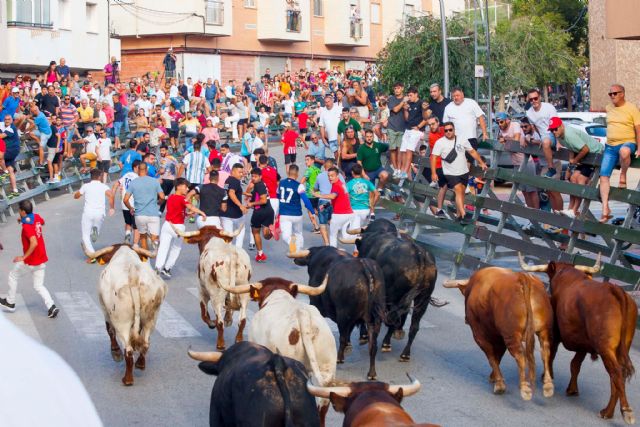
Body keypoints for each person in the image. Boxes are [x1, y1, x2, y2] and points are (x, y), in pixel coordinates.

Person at [0, 200, 59, 318]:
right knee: (39, 285)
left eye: (19, 211)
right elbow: (42, 222)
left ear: (22, 211)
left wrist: (23, 257)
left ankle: (10, 302)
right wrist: (22, 220)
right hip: (41, 258)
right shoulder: (36, 217)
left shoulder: (27, 226)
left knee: (13, 275)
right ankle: (51, 306)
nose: (18, 213)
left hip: (31, 260)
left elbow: (34, 242)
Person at [431, 122, 488, 224]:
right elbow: (434, 157)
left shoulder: (462, 139)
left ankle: (458, 216)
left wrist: (481, 163)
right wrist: (433, 173)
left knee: (461, 192)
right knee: (458, 190)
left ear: (454, 130)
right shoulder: (440, 142)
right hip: (450, 172)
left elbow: (472, 152)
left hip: (463, 171)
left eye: (450, 130)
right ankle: (464, 214)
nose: (448, 132)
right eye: (446, 130)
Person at [547, 117, 603, 218]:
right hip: (586, 157)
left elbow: (585, 149)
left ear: (561, 126)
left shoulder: (569, 134)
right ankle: (570, 209)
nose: (553, 132)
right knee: (573, 178)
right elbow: (571, 148)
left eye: (555, 129)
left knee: (580, 179)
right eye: (551, 130)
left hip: (595, 154)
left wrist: (575, 161)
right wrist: (570, 165)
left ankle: (574, 210)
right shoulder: (560, 136)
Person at [599, 84, 640, 222]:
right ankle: (605, 209)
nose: (612, 96)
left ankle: (623, 175)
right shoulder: (608, 108)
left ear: (622, 93)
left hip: (627, 142)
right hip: (610, 146)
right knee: (603, 176)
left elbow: (638, 130)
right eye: (610, 94)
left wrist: (639, 147)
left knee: (624, 151)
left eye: (615, 93)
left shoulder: (632, 108)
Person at [155, 178, 206, 278]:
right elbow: (191, 206)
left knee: (163, 248)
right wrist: (201, 212)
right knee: (176, 248)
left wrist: (186, 214)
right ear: (178, 187)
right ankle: (167, 268)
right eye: (185, 187)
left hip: (167, 225)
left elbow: (177, 210)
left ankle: (158, 267)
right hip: (178, 228)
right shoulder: (182, 199)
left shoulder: (170, 197)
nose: (187, 189)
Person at [496, 112, 539, 210]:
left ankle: (537, 214)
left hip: (526, 162)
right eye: (497, 122)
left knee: (531, 190)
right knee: (524, 191)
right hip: (516, 163)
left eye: (501, 122)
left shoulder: (515, 125)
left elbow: (515, 142)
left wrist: (505, 140)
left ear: (507, 120)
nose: (499, 124)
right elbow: (500, 141)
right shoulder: (501, 130)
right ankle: (531, 216)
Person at [124, 162, 165, 251]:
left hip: (139, 215)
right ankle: (155, 250)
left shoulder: (134, 183)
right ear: (146, 170)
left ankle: (145, 258)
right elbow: (162, 197)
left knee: (143, 237)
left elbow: (125, 200)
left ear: (138, 170)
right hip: (153, 214)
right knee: (155, 238)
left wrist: (131, 208)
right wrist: (159, 202)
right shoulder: (154, 181)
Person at [442, 87, 488, 165]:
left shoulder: (471, 103)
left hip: (470, 138)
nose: (456, 98)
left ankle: (465, 177)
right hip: (456, 140)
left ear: (462, 94)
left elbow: (480, 117)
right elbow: (446, 125)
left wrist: (484, 133)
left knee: (467, 163)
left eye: (457, 95)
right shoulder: (448, 107)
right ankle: (463, 177)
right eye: (454, 96)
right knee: (457, 163)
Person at [75, 168, 115, 256]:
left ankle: (92, 254)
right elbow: (111, 195)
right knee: (94, 234)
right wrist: (112, 208)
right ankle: (95, 231)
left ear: (91, 177)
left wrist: (76, 195)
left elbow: (77, 195)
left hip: (88, 213)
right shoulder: (103, 186)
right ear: (100, 177)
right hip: (99, 213)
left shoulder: (86, 186)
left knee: (85, 236)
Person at [277, 164, 317, 252]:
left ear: (288, 172)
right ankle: (298, 249)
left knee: (286, 236)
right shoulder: (299, 185)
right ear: (297, 174)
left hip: (284, 214)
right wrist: (312, 212)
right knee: (298, 233)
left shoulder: (281, 183)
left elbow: (278, 196)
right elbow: (306, 201)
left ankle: (292, 244)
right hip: (297, 214)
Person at [314, 167, 355, 248]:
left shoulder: (336, 186)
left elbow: (333, 196)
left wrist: (318, 195)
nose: (330, 178)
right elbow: (339, 198)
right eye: (329, 176)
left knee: (333, 236)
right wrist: (326, 205)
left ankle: (333, 253)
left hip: (339, 215)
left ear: (337, 176)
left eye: (332, 176)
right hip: (350, 214)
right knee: (346, 237)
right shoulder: (342, 184)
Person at [246, 168, 275, 262]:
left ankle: (260, 254)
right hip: (269, 211)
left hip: (259, 212)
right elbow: (258, 196)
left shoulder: (259, 185)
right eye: (252, 176)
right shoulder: (262, 184)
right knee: (266, 236)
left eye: (255, 176)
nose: (253, 178)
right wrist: (247, 195)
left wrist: (251, 204)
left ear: (260, 176)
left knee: (255, 232)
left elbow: (263, 200)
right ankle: (271, 231)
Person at [398, 87, 427, 178]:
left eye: (411, 95)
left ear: (416, 94)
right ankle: (402, 171)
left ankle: (405, 172)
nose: (409, 97)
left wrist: (418, 127)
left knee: (409, 150)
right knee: (402, 150)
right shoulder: (409, 104)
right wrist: (405, 109)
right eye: (408, 95)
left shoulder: (422, 103)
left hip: (417, 130)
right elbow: (407, 118)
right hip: (408, 129)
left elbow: (426, 118)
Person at [112, 160, 140, 245]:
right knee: (137, 226)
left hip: (124, 204)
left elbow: (116, 184)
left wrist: (113, 193)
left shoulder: (126, 175)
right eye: (141, 167)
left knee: (128, 223)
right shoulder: (138, 178)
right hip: (134, 205)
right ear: (135, 167)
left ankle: (127, 240)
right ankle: (135, 245)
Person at [357, 128, 389, 203]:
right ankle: (371, 210)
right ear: (365, 137)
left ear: (373, 137)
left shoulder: (378, 145)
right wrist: (364, 174)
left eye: (371, 136)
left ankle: (380, 189)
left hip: (378, 169)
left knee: (385, 175)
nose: (369, 138)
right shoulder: (361, 148)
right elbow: (359, 163)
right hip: (368, 172)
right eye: (367, 136)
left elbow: (389, 147)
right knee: (371, 195)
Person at [221, 163, 248, 249]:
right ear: (232, 171)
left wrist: (244, 193)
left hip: (225, 214)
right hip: (235, 214)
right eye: (239, 172)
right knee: (241, 230)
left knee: (228, 236)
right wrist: (240, 205)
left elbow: (230, 191)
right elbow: (231, 193)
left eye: (242, 172)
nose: (241, 174)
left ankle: (228, 254)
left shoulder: (227, 180)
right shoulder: (235, 181)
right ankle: (237, 250)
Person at [347, 164, 377, 230]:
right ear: (361, 172)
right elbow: (377, 194)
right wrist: (373, 205)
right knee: (364, 231)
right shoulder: (367, 182)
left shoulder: (349, 183)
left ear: (352, 172)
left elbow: (343, 196)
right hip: (366, 210)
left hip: (354, 210)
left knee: (354, 232)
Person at [386, 82, 407, 175]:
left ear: (402, 88)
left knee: (400, 150)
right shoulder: (391, 99)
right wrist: (403, 102)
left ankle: (399, 168)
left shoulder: (407, 98)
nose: (396, 90)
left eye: (398, 88)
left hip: (402, 127)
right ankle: (395, 169)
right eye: (395, 88)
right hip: (392, 127)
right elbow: (395, 109)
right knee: (392, 149)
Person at [0, 114, 21, 198]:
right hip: (7, 149)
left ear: (12, 120)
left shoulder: (12, 128)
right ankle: (15, 191)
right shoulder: (2, 124)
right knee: (11, 170)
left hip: (13, 150)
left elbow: (1, 136)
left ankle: (4, 172)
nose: (7, 121)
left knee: (0, 157)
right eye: (6, 119)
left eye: (9, 119)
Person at [300, 154, 322, 232]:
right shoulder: (318, 170)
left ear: (312, 161)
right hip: (318, 194)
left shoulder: (309, 170)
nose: (306, 162)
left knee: (310, 211)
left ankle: (316, 227)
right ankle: (327, 221)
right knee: (316, 210)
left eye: (308, 160)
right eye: (305, 160)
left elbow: (302, 181)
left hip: (310, 194)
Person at [318, 94, 342, 159]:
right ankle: (339, 168)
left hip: (340, 137)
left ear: (332, 101)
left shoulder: (339, 109)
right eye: (326, 102)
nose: (327, 103)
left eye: (328, 101)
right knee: (336, 156)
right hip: (331, 138)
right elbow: (321, 125)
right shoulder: (323, 111)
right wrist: (323, 137)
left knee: (342, 154)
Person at [158, 145, 178, 212]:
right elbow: (178, 167)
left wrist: (158, 172)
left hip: (165, 179)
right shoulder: (173, 158)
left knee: (161, 195)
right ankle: (160, 211)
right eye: (160, 151)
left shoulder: (164, 159)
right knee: (165, 195)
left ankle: (158, 210)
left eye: (163, 151)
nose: (161, 152)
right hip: (172, 180)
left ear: (167, 150)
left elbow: (162, 171)